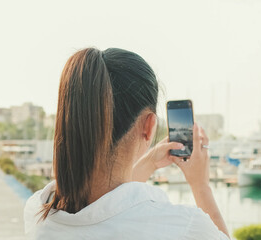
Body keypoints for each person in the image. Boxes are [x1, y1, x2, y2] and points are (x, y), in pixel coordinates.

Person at [24, 47, 230, 239]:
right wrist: (201, 186)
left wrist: (149, 163)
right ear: (149, 126)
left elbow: (107, 208)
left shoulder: (37, 213)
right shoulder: (182, 227)